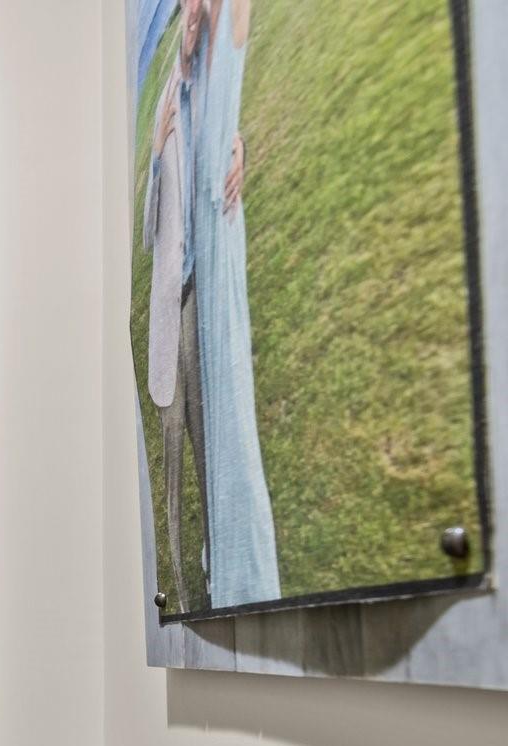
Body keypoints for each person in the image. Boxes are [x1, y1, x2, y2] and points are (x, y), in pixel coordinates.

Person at [191, 0, 282, 606]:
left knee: (228, 399)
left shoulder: (229, 15)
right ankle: (219, 561)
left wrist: (232, 140)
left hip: (217, 229)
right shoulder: (190, 41)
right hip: (199, 229)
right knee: (209, 408)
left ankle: (244, 576)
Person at [142, 0, 211, 612]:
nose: (191, 26)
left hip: (197, 297)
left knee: (202, 441)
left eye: (197, 18)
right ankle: (179, 589)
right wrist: (157, 153)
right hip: (170, 301)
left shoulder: (206, 94)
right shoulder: (169, 100)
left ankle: (213, 572)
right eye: (186, 17)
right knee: (171, 450)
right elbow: (146, 232)